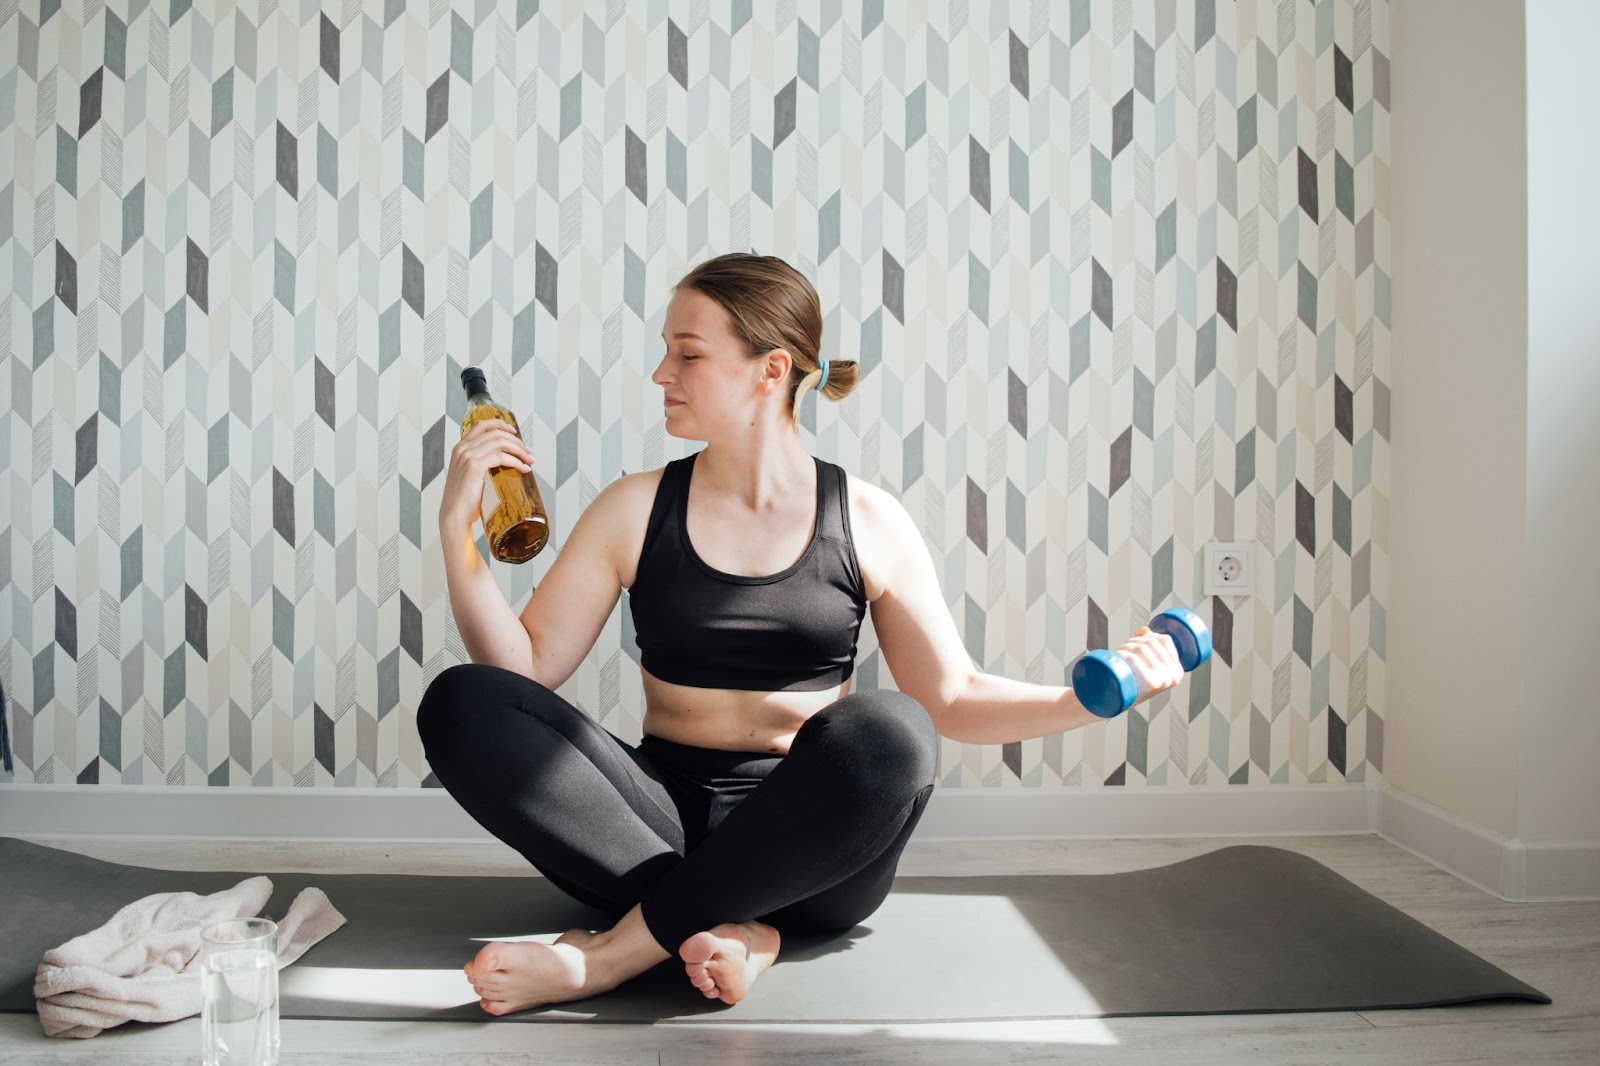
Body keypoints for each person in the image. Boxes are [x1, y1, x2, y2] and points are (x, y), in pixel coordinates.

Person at [417, 252, 1186, 1015]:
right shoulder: (635, 507)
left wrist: (1091, 702)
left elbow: (952, 699)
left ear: (771, 368)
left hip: (815, 842)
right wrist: (458, 534)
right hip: (653, 825)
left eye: (686, 354)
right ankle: (747, 934)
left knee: (896, 728)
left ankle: (613, 957)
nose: (661, 374)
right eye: (665, 353)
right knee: (462, 702)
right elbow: (524, 672)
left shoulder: (869, 519)